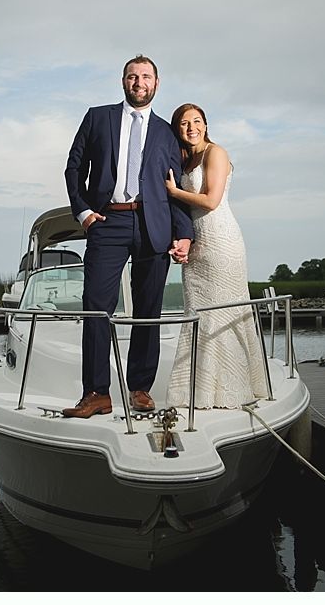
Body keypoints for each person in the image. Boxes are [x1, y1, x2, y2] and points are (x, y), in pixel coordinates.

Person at [61, 55, 195, 418]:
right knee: (96, 307)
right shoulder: (97, 117)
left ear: (156, 83)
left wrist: (185, 234)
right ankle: (96, 393)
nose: (139, 82)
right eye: (133, 76)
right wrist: (84, 211)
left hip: (154, 225)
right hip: (107, 222)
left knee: (148, 310)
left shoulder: (168, 132)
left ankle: (140, 389)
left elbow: (176, 189)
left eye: (146, 77)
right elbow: (74, 168)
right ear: (123, 81)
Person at [163, 103, 269, 409]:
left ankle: (234, 389)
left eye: (197, 121)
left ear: (206, 125)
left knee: (226, 311)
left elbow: (210, 200)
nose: (191, 127)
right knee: (199, 313)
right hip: (198, 246)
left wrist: (173, 191)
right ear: (178, 129)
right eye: (184, 123)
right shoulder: (185, 160)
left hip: (222, 241)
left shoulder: (216, 153)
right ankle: (201, 391)